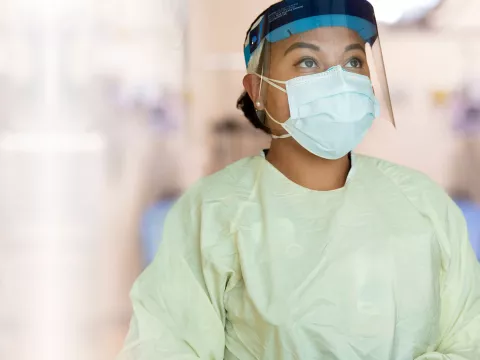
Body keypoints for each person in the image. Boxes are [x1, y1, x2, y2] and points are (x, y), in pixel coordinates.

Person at [118, 1, 480, 359]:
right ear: (258, 89)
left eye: (353, 61)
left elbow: (469, 340)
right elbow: (166, 346)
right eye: (308, 62)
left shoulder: (422, 202)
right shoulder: (213, 215)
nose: (339, 80)